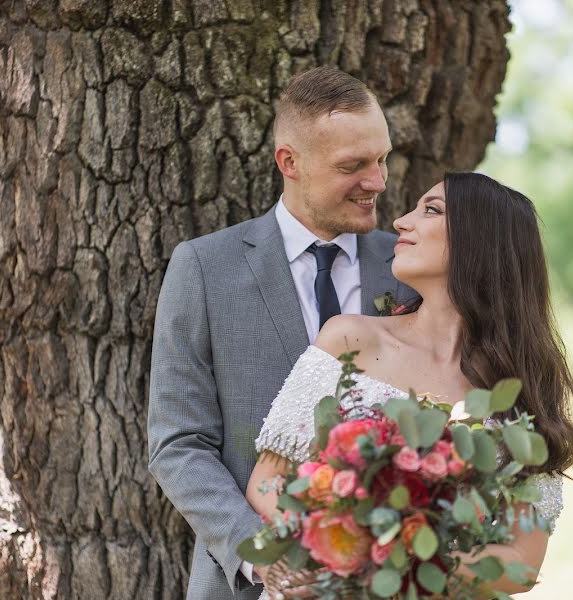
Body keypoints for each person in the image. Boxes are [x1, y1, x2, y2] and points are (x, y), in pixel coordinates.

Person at [248, 172, 573, 597]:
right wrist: (333, 550)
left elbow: (522, 563)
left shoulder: (522, 390)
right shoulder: (349, 339)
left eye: (431, 210)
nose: (401, 223)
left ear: (480, 239)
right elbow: (268, 479)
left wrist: (401, 559)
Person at [147, 66, 414, 599]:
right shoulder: (205, 268)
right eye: (353, 165)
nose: (378, 182)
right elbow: (178, 444)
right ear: (288, 162)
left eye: (381, 158)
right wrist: (266, 556)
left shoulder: (409, 266)